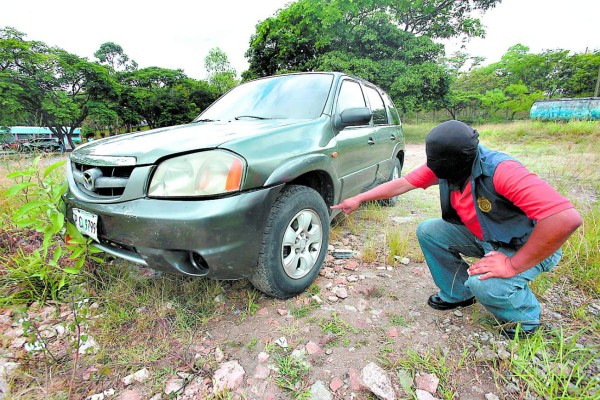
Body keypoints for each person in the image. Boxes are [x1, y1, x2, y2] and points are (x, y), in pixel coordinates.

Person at [332, 120, 582, 339]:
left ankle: (526, 319)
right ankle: (458, 294)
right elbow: (402, 184)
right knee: (429, 231)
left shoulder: (502, 171)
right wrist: (360, 198)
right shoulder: (445, 165)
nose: (437, 172)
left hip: (523, 244)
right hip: (486, 235)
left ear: (464, 158)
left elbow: (565, 219)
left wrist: (512, 265)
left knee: (484, 285)